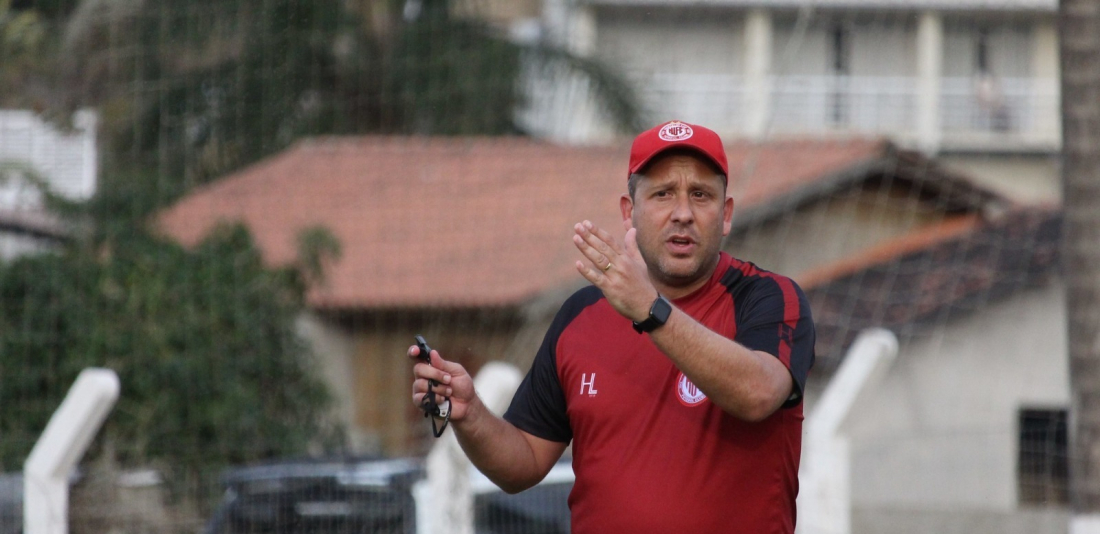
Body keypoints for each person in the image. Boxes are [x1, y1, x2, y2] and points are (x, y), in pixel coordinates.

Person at [409, 120, 815, 533]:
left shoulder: (768, 298)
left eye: (701, 195)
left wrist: (649, 309)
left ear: (725, 215)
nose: (683, 213)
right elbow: (524, 463)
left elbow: (758, 392)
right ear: (629, 211)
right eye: (662, 194)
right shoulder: (581, 315)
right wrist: (471, 414)